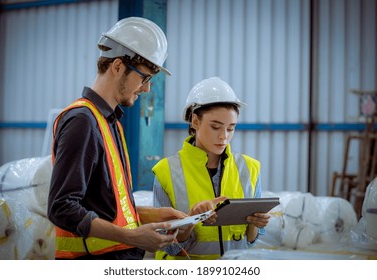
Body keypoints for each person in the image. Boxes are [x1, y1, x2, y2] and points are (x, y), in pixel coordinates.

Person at [47, 17, 187, 260]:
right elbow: (62, 208)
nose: (146, 89)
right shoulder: (82, 122)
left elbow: (106, 207)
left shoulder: (109, 123)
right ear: (118, 66)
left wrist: (153, 215)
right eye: (144, 77)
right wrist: (133, 237)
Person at [152, 77, 271, 260]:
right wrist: (190, 220)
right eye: (215, 127)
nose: (224, 137)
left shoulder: (250, 169)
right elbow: (168, 248)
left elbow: (250, 242)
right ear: (195, 121)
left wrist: (255, 224)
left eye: (231, 129)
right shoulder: (166, 171)